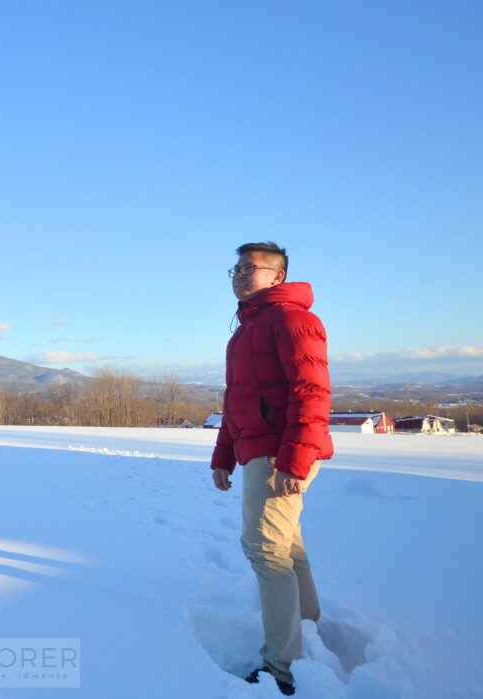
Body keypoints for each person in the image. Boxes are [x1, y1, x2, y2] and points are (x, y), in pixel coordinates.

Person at [211, 241, 333, 696]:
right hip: (261, 451)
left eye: (251, 268)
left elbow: (312, 393)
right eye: (236, 269)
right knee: (287, 545)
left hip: (281, 454)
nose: (240, 275)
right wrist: (224, 455)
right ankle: (308, 626)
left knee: (263, 549)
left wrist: (293, 460)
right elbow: (234, 402)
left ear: (277, 276)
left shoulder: (291, 318)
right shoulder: (245, 330)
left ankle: (282, 664)